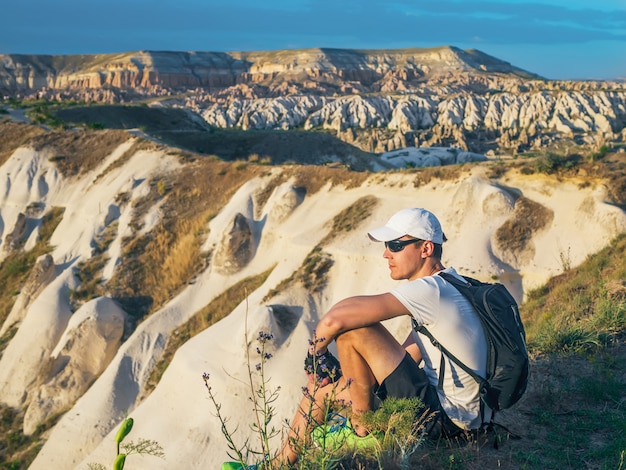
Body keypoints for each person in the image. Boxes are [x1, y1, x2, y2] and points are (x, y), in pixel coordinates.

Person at [224, 207, 491, 469]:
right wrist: (355, 384)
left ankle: (362, 433)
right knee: (320, 393)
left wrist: (314, 355)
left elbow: (338, 319)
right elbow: (411, 353)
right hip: (461, 414)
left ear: (426, 249)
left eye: (396, 245)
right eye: (387, 245)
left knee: (354, 331)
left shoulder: (430, 290)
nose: (386, 253)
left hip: (447, 421)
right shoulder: (453, 283)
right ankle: (275, 466)